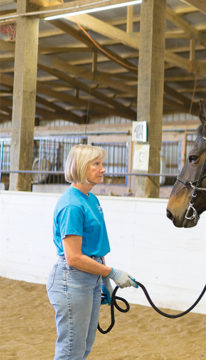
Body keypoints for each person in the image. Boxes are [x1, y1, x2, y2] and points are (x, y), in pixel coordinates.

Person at [46, 144, 138, 360]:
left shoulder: (90, 199)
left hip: (90, 278)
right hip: (73, 280)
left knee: (83, 348)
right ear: (80, 167)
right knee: (70, 351)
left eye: (102, 164)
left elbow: (93, 248)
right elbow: (74, 257)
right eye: (96, 164)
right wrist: (111, 273)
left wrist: (103, 280)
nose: (103, 169)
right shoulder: (72, 205)